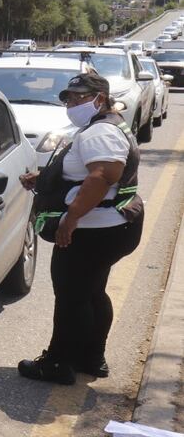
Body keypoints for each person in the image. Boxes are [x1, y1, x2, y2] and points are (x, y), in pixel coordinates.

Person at [16, 70, 144, 384]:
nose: (72, 103)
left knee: (72, 297)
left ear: (100, 99)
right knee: (92, 292)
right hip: (109, 228)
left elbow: (101, 176)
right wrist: (45, 180)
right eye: (69, 98)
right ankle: (92, 357)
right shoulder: (105, 126)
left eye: (80, 97)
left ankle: (58, 363)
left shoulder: (100, 132)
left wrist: (70, 220)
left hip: (92, 231)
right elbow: (87, 173)